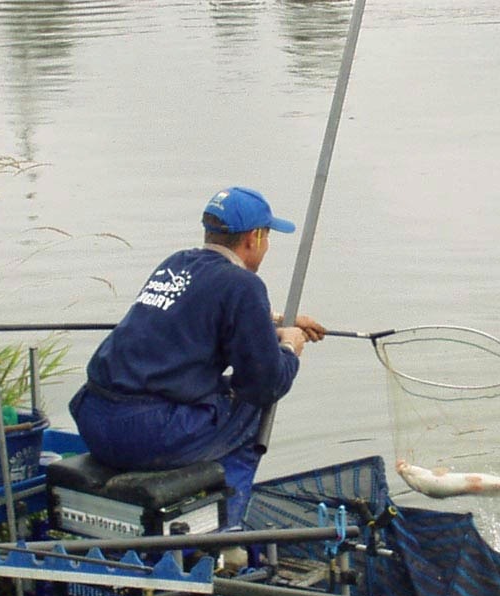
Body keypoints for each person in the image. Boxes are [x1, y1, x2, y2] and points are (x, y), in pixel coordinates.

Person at [70, 186, 325, 528]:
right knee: (252, 401)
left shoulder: (176, 264)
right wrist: (289, 346)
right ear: (254, 238)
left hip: (94, 419)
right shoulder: (244, 286)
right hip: (146, 433)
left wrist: (277, 322)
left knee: (222, 388)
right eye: (267, 238)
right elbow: (265, 382)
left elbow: (198, 312)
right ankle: (224, 532)